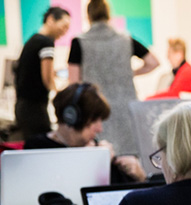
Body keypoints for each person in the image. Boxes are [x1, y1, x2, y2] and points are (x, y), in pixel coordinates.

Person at [68, 0, 159, 156]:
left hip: (97, 111)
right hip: (126, 107)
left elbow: (74, 83)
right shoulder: (126, 39)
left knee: (102, 156)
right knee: (130, 160)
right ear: (109, 14)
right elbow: (153, 62)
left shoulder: (80, 42)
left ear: (88, 16)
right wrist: (131, 73)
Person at [24, 83, 145, 184]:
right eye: (94, 121)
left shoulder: (96, 148)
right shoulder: (36, 147)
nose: (99, 129)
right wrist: (90, 161)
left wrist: (140, 177)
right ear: (71, 117)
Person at [14, 7, 71, 140]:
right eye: (64, 26)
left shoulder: (33, 40)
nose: (64, 31)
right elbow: (47, 79)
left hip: (22, 107)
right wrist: (61, 94)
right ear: (51, 19)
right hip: (35, 109)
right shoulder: (46, 43)